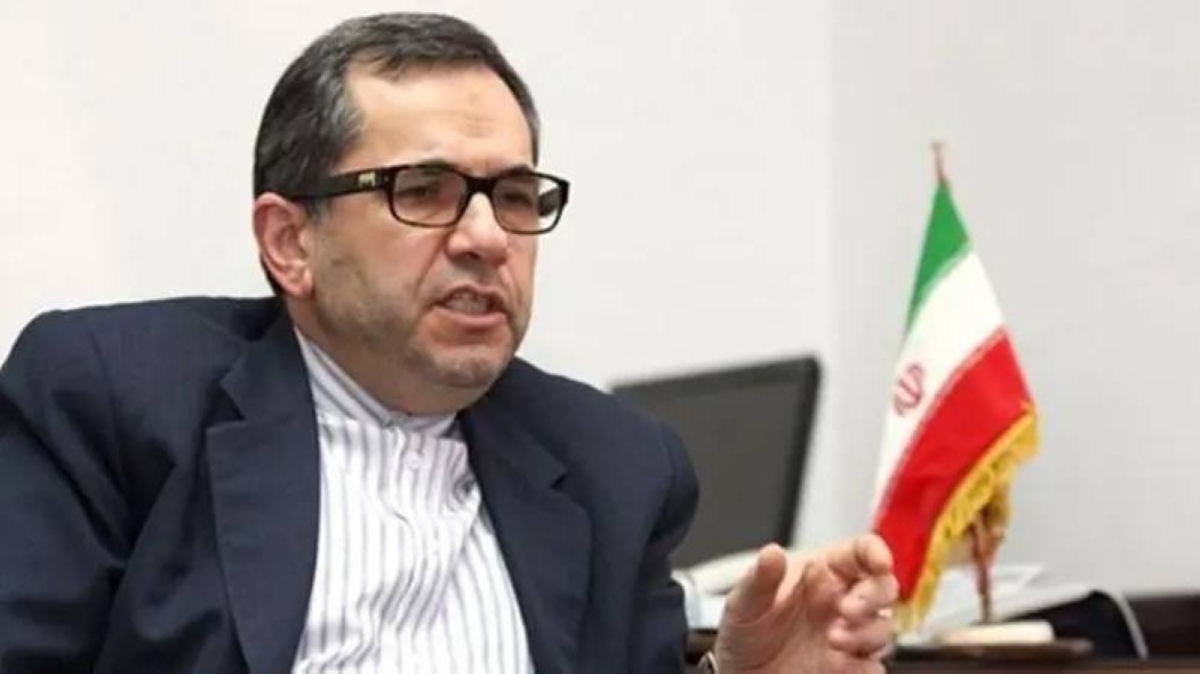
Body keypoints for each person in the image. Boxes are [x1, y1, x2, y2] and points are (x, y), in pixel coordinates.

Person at [0, 12, 896, 674]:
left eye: (514, 196)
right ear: (290, 242)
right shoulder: (112, 398)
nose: (487, 238)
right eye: (423, 190)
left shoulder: (616, 467)